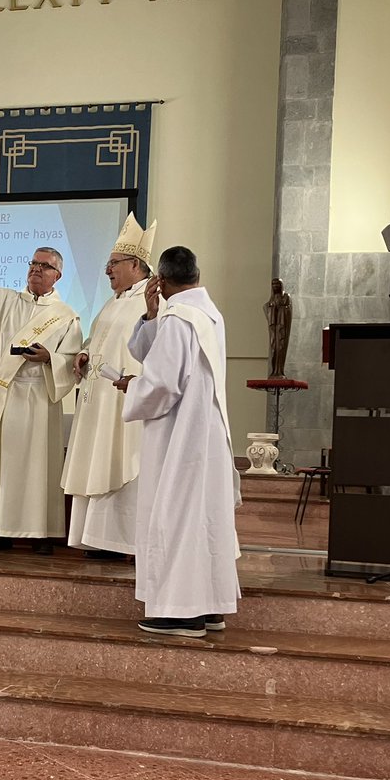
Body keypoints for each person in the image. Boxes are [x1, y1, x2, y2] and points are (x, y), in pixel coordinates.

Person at [115, 246, 240, 637]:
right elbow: (163, 356)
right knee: (202, 519)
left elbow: (163, 382)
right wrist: (153, 315)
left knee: (175, 516)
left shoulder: (179, 319)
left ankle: (179, 612)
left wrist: (134, 387)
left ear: (162, 281)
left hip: (179, 437)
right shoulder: (208, 313)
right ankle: (209, 607)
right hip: (205, 434)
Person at [0, 228, 82, 554]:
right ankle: (1, 531)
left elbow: (72, 359)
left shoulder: (66, 317)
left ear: (58, 275)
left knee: (38, 468)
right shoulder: (9, 302)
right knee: (4, 465)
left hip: (40, 396)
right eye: (33, 264)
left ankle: (40, 535)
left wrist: (48, 358)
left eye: (44, 266)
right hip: (6, 396)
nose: (36, 270)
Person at [63, 214, 157, 560]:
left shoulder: (149, 303)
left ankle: (120, 541)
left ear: (135, 264)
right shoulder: (112, 302)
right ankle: (96, 538)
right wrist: (84, 354)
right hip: (96, 401)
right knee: (95, 461)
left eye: (113, 263)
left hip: (123, 403)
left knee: (119, 462)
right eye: (107, 263)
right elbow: (99, 341)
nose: (107, 270)